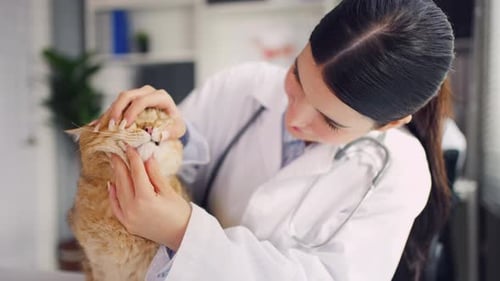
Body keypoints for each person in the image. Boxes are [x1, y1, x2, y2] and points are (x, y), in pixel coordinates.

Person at [97, 0, 455, 280]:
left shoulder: (398, 173)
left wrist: (183, 232)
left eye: (329, 120)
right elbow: (188, 169)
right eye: (297, 77)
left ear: (388, 124)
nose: (293, 117)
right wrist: (174, 141)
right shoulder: (243, 85)